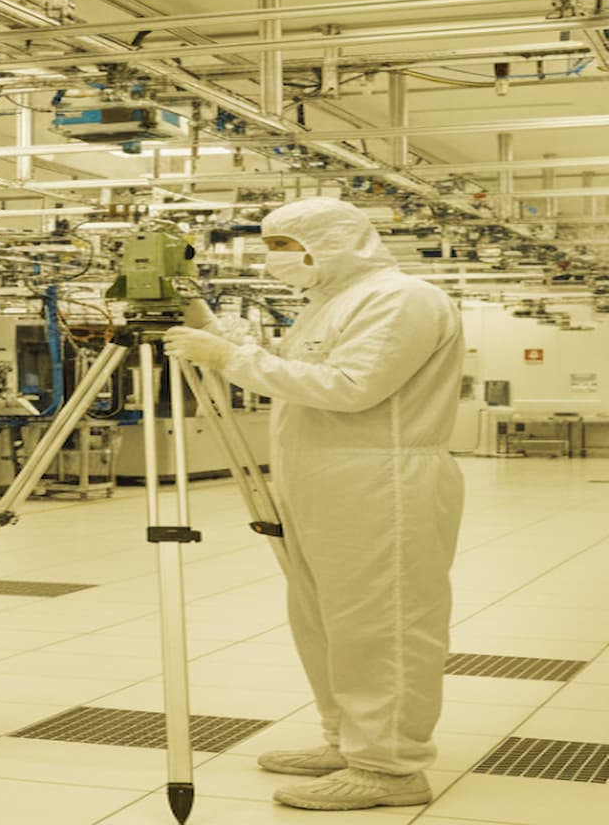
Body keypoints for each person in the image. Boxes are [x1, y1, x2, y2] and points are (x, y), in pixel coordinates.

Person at [162, 197, 465, 812]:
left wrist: (229, 359)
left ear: (335, 240)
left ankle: (391, 767)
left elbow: (352, 387)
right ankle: (347, 740)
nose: (274, 258)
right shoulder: (329, 303)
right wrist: (203, 320)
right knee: (324, 619)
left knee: (383, 624)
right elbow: (287, 372)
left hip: (383, 483)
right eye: (270, 245)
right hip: (322, 482)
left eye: (285, 246)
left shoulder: (400, 298)